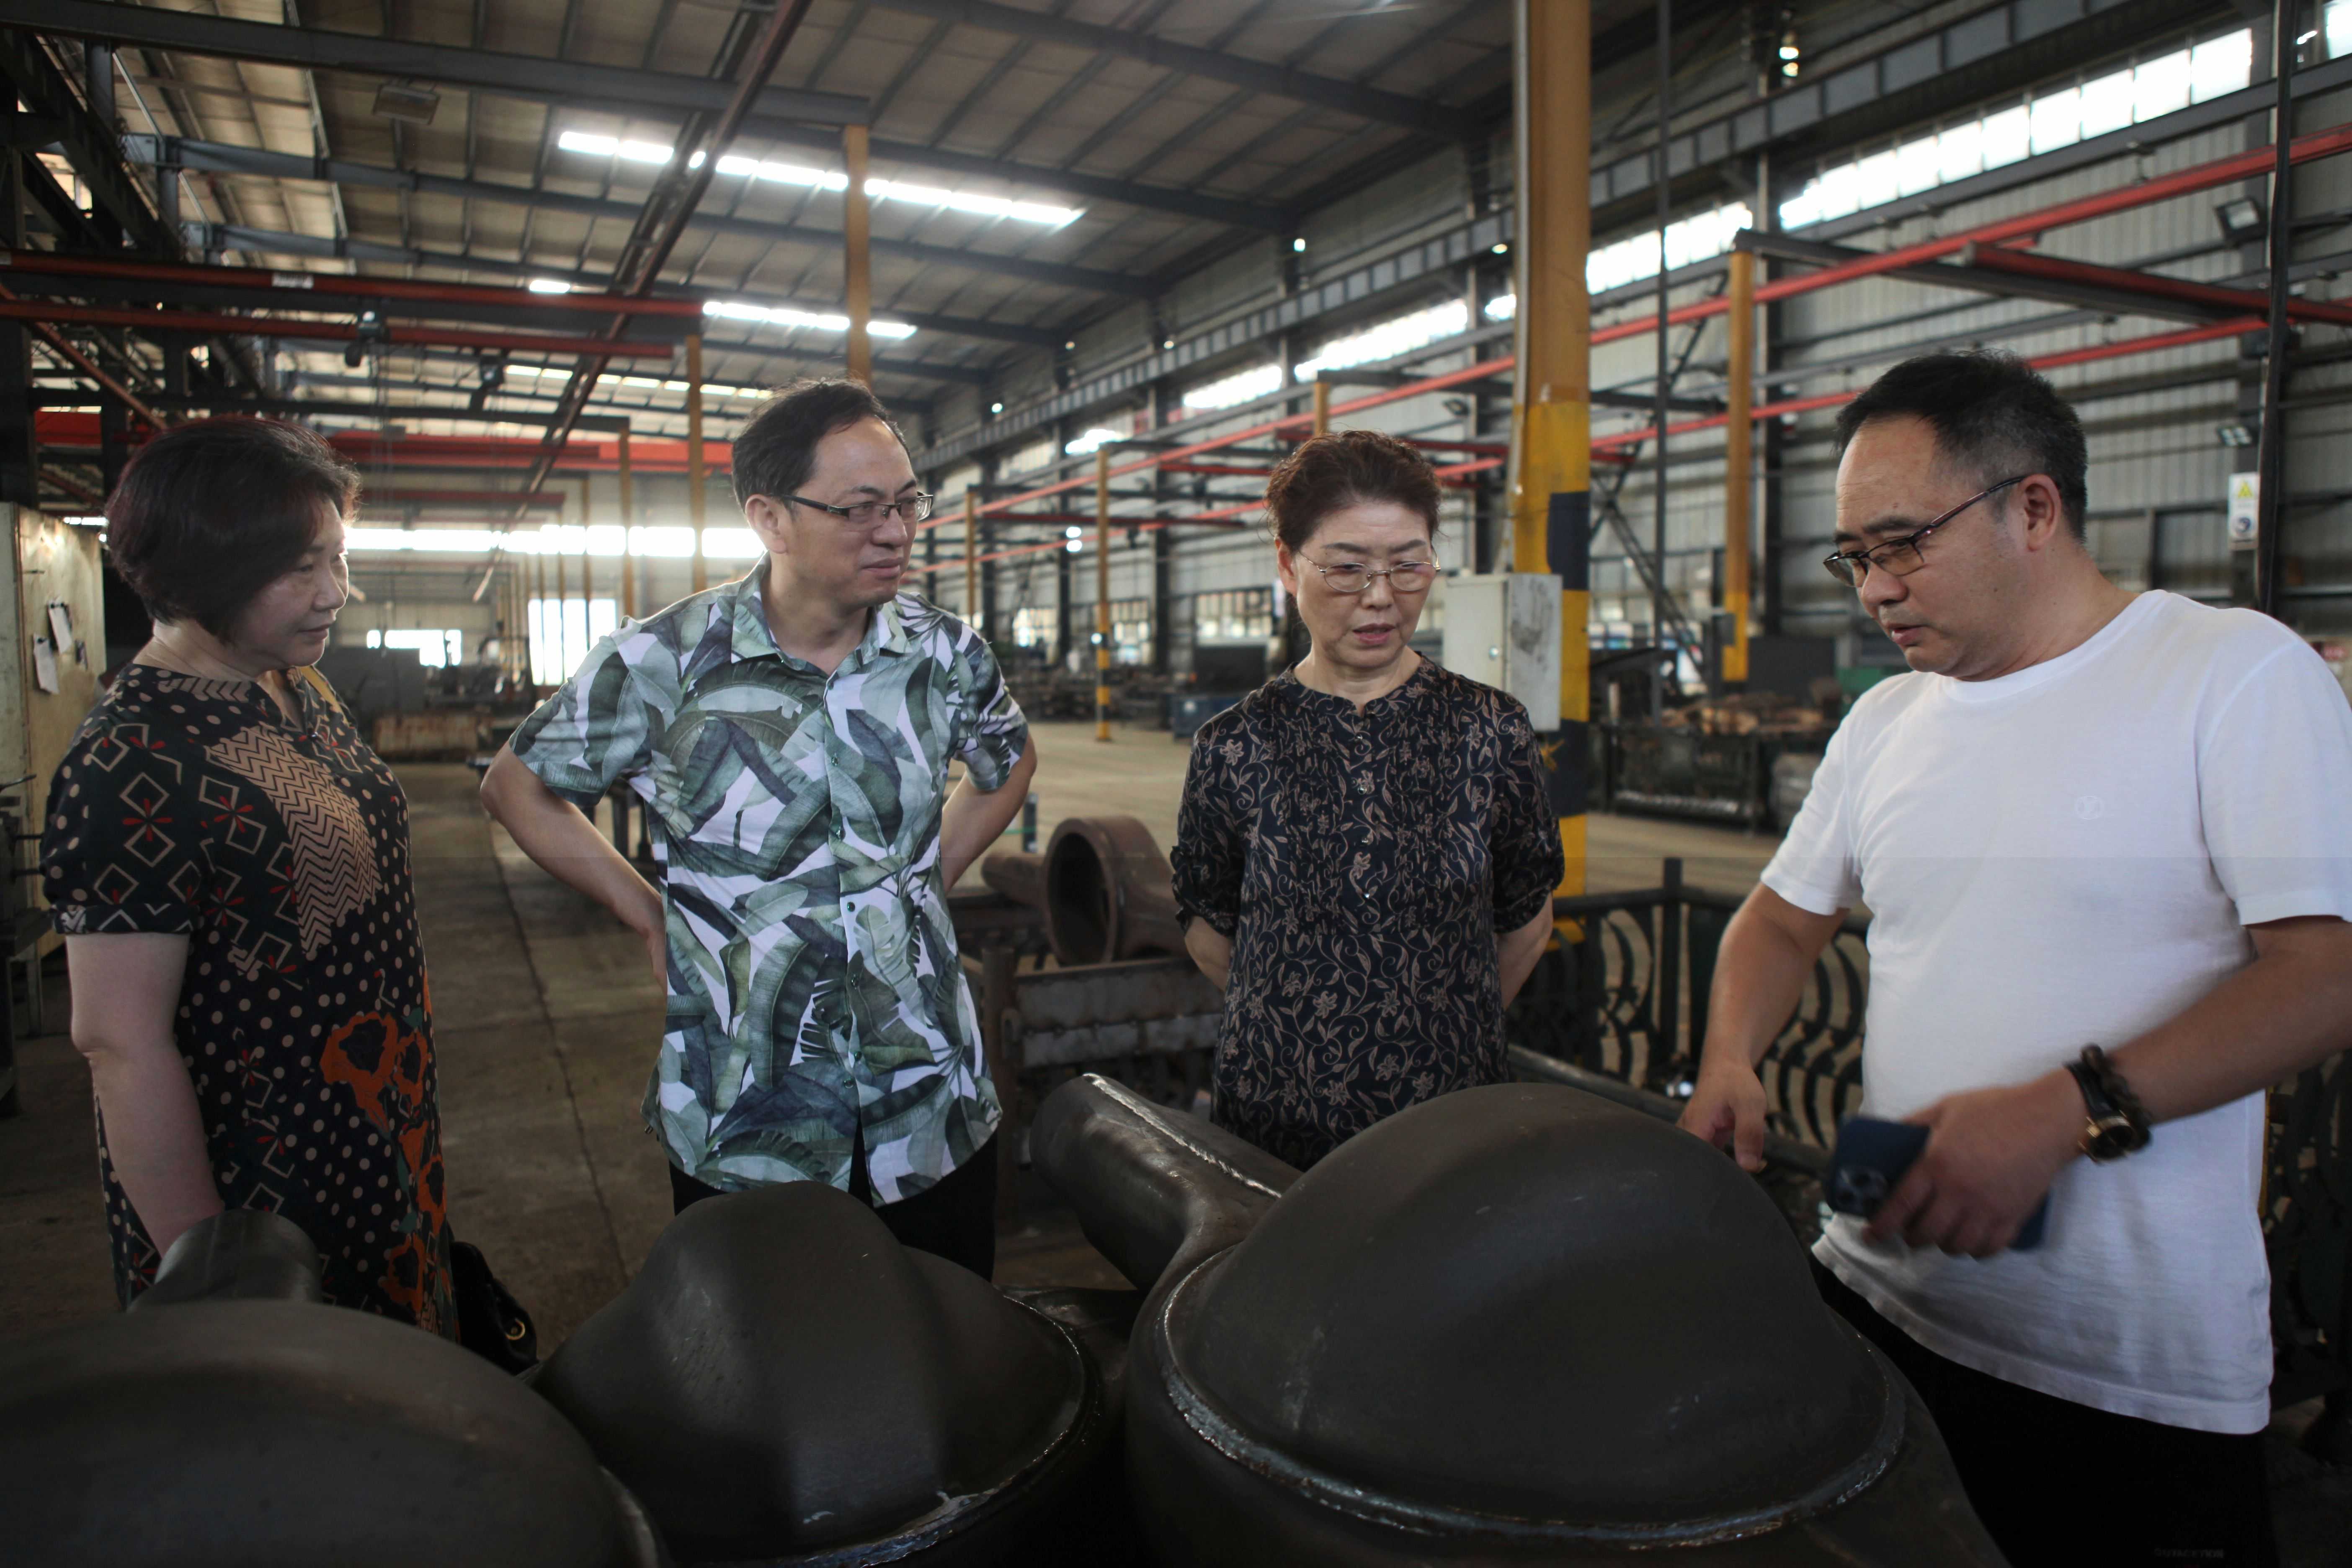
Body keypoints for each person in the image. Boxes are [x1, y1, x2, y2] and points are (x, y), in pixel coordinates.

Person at [1677, 351, 2352, 1567]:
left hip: (2121, 1370)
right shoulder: (1886, 720)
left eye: (1903, 545)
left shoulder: (2230, 674)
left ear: (2033, 508)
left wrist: (2065, 1112)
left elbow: (2326, 974)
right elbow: (1781, 917)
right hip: (1874, 1288)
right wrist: (1731, 1055)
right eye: (1854, 557)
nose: (1875, 589)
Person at [480, 378, 1034, 1279]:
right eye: (860, 509)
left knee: (952, 1337)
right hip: (746, 1109)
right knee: (761, 1346)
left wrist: (921, 878)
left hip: (927, 1101)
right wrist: (647, 913)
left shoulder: (945, 654)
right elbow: (518, 788)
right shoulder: (662, 661)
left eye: (907, 503)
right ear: (770, 518)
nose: (895, 531)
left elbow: (1009, 766)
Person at [43, 417, 455, 1333]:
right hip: (262, 1174)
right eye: (300, 569)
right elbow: (119, 1043)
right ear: (203, 575)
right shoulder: (130, 760)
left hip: (374, 1135)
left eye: (337, 560)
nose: (334, 593)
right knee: (301, 1400)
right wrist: (219, 1279)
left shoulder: (294, 685)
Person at [1171, 429, 1563, 1170]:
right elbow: (1207, 927)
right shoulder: (1235, 745)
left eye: (1408, 566)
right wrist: (1300, 1029)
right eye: (1347, 568)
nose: (1380, 597)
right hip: (1276, 1120)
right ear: (1288, 565)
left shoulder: (1489, 729)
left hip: (1447, 1126)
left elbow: (1526, 921)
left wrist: (1437, 1028)